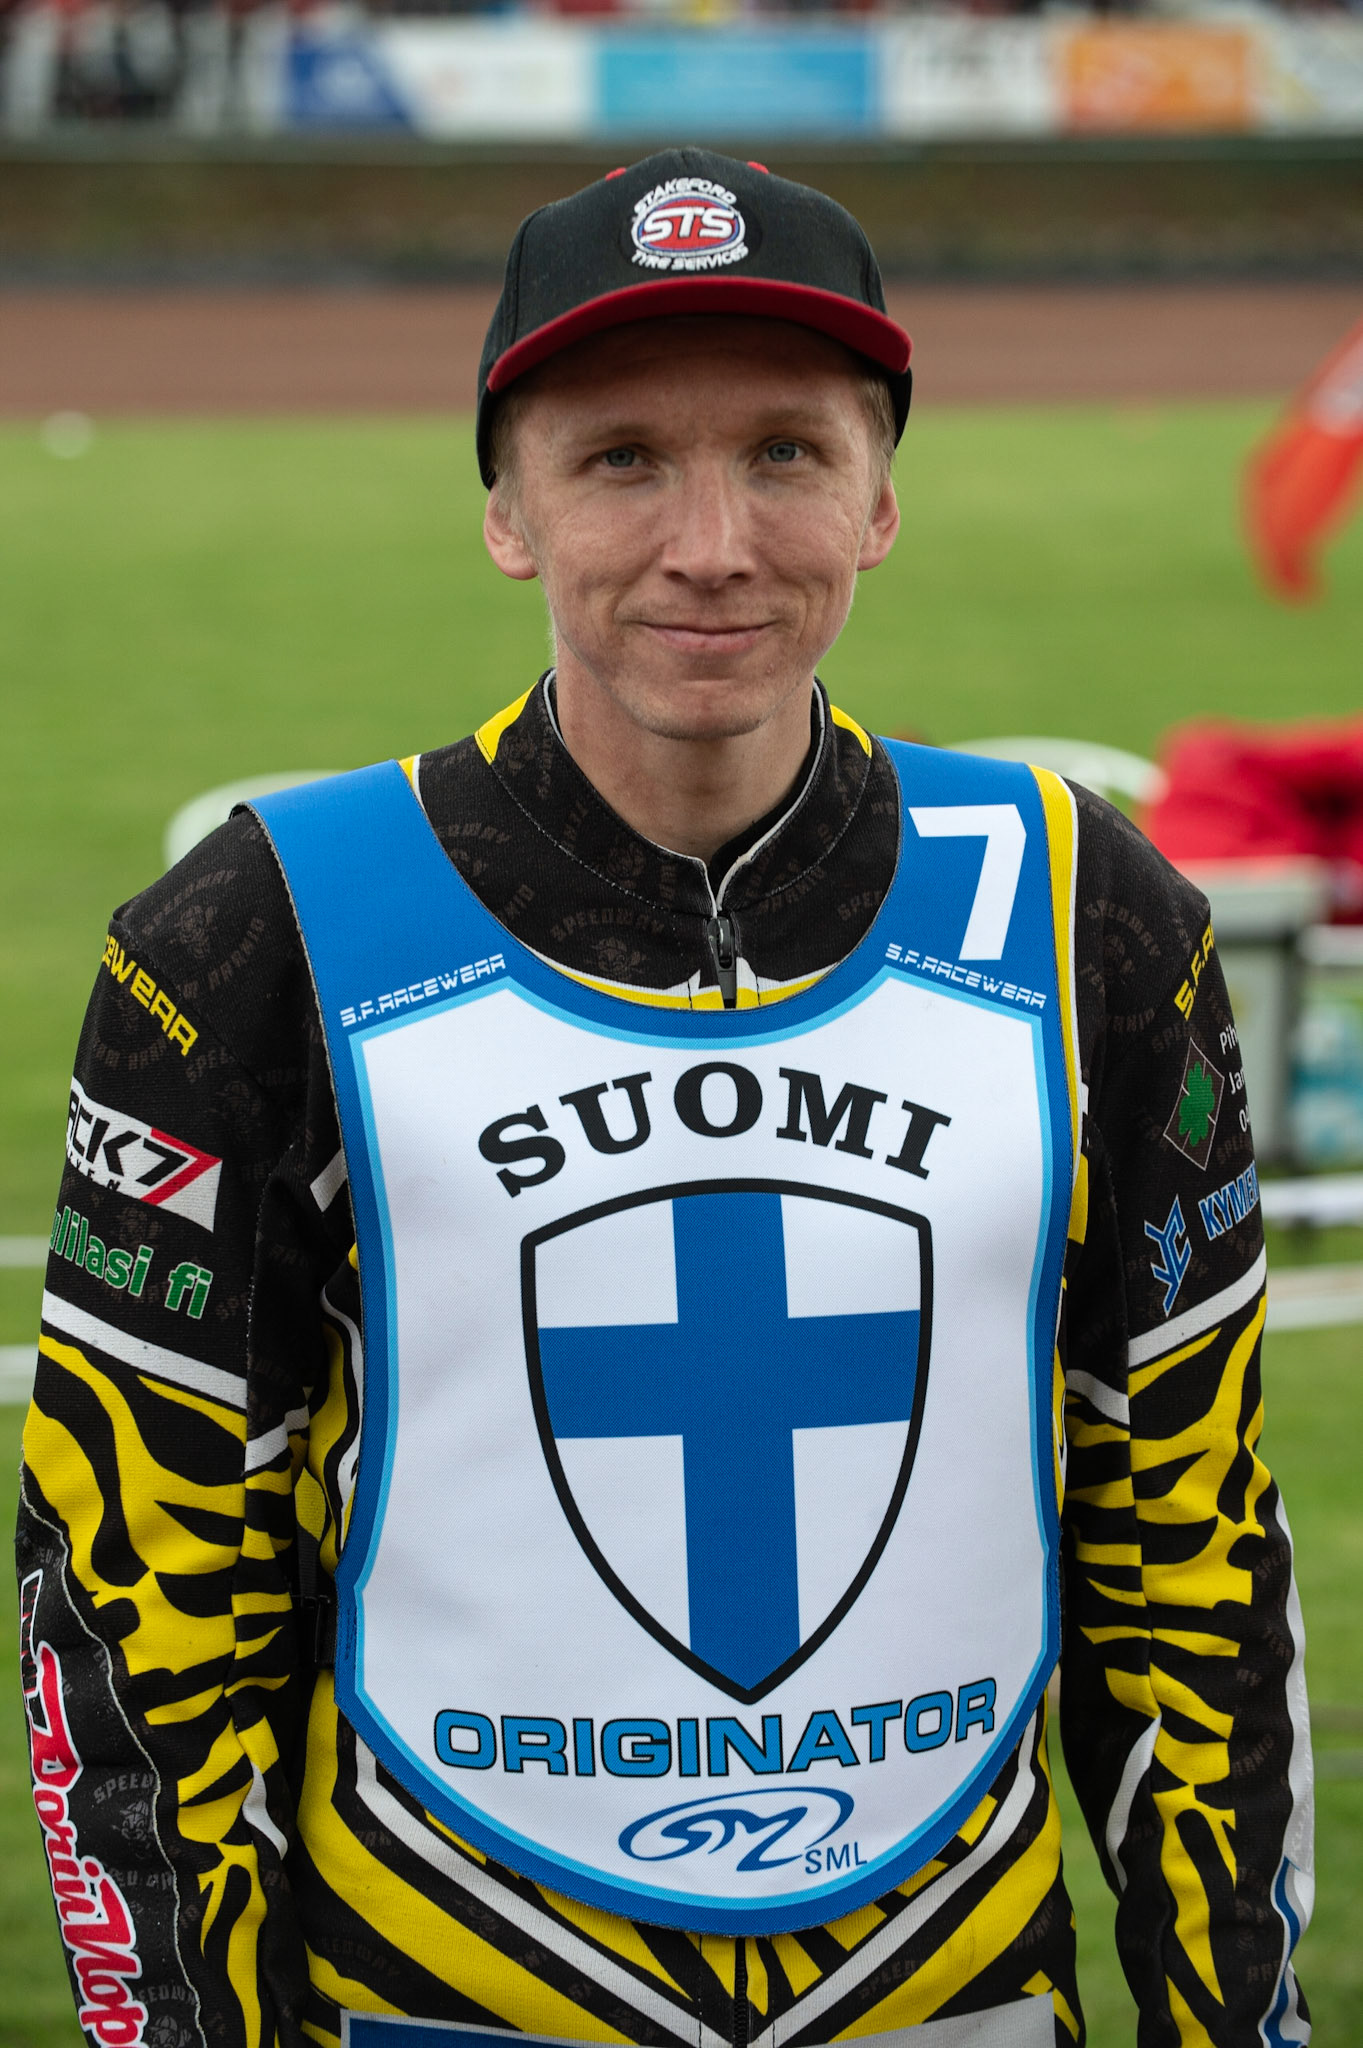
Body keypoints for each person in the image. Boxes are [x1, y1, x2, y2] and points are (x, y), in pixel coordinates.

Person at [18, 149, 1312, 2048]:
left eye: (786, 452)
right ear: (505, 508)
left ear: (881, 500)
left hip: (948, 2002)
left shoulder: (1089, 909)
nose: (712, 540)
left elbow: (1192, 1562)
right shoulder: (252, 932)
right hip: (443, 2000)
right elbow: (132, 1620)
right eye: (621, 456)